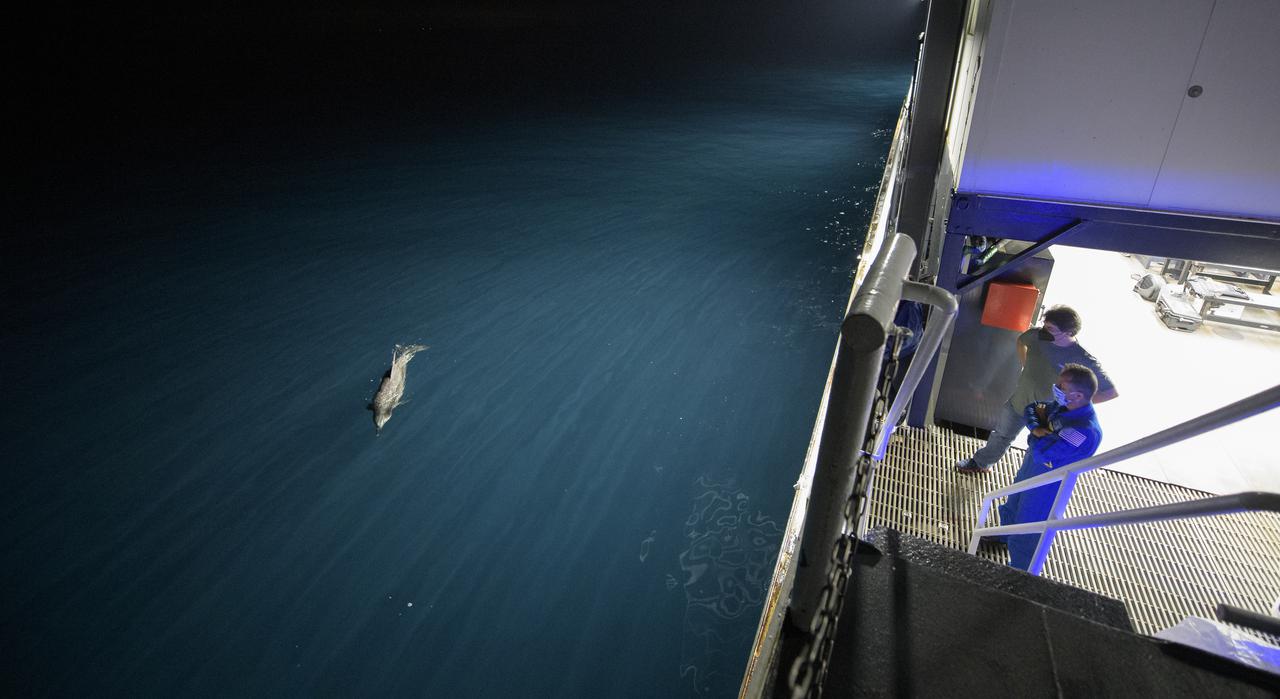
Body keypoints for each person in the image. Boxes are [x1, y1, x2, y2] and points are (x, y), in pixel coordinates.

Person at [956, 305, 1116, 475]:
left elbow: (1110, 391)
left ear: (1069, 332)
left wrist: (1072, 403)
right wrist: (1025, 364)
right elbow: (1021, 341)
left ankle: (1026, 478)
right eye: (1044, 325)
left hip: (1048, 415)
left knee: (1038, 450)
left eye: (1050, 329)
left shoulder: (1083, 359)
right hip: (1020, 401)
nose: (1043, 331)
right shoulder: (1036, 336)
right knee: (1001, 435)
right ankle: (981, 463)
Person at [998, 364, 1104, 570]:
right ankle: (1001, 537)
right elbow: (1034, 408)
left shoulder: (1083, 430)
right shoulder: (1064, 407)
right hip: (1033, 468)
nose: (1055, 388)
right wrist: (1036, 428)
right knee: (1013, 504)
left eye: (1060, 387)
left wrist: (1036, 434)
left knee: (1028, 526)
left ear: (1078, 396)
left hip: (1048, 484)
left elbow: (1043, 452)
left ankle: (1021, 572)